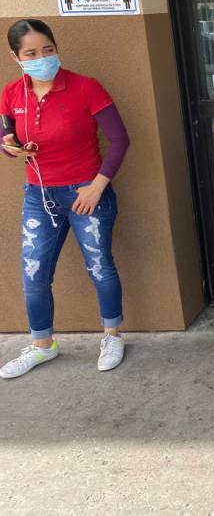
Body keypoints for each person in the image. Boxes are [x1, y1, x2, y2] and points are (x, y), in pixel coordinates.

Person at [0, 19, 130, 379]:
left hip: (85, 192)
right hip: (37, 195)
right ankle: (43, 346)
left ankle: (112, 335)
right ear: (16, 57)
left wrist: (97, 185)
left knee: (99, 266)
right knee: (33, 273)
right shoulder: (12, 93)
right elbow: (7, 137)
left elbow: (120, 140)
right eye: (31, 53)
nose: (42, 58)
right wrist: (9, 147)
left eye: (48, 50)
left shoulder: (85, 87)